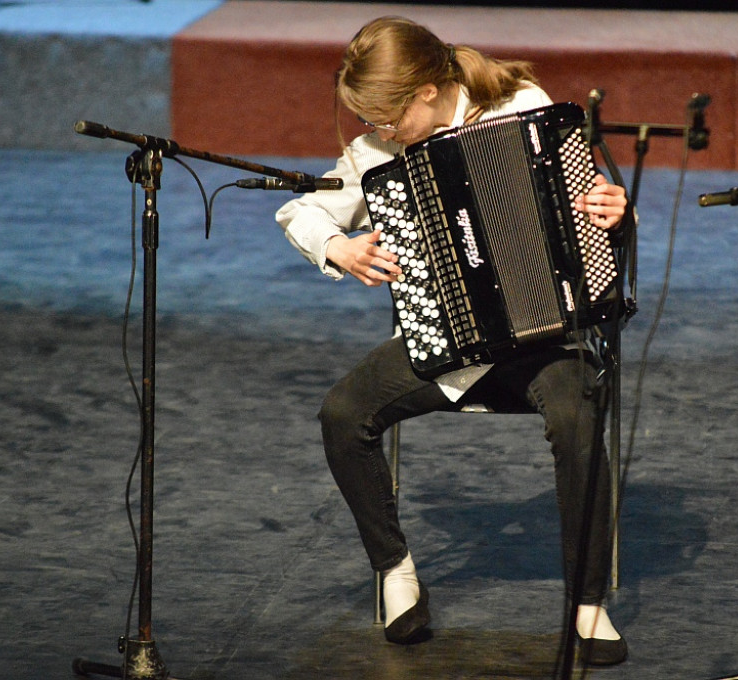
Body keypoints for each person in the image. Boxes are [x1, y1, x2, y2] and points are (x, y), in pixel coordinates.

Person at [275, 16, 629, 666]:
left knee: (579, 419)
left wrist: (613, 207)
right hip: (447, 344)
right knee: (342, 415)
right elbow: (302, 208)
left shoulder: (525, 108)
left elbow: (591, 221)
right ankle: (395, 570)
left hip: (547, 342)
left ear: (429, 93)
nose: (377, 132)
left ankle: (587, 604)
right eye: (370, 120)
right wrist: (338, 246)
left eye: (386, 116)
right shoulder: (377, 153)